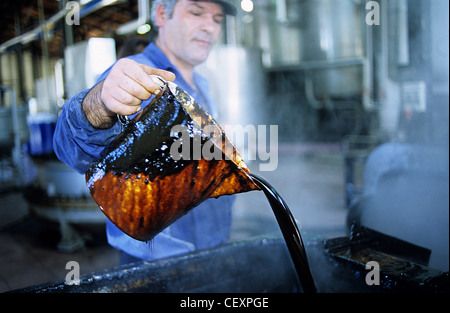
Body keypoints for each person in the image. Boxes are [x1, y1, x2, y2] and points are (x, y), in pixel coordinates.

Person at [53, 0, 238, 264]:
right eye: (196, 12)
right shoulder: (137, 76)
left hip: (209, 249)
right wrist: (99, 105)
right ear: (162, 14)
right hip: (156, 262)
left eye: (217, 19)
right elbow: (71, 149)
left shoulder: (203, 84)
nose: (209, 26)